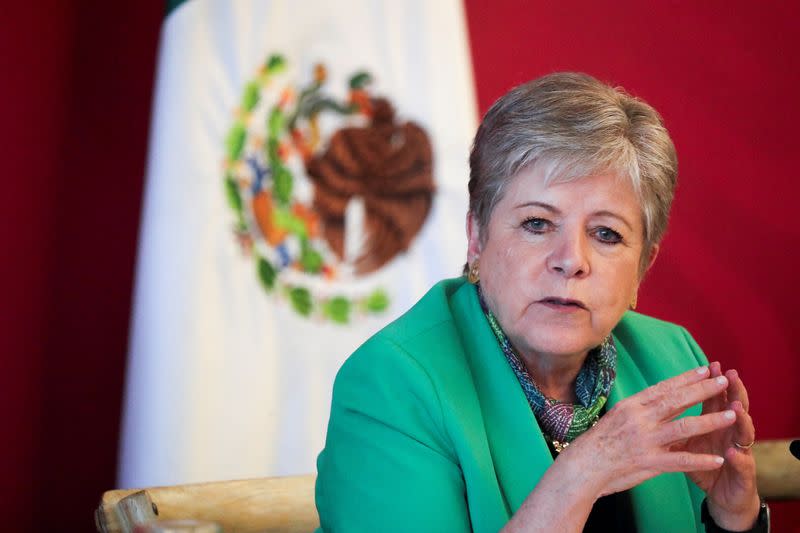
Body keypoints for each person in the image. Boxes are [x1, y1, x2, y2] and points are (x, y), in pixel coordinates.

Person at [314, 73, 768, 532]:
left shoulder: (672, 362)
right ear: (477, 237)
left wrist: (732, 519)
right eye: (537, 223)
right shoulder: (393, 385)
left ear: (642, 266)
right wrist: (583, 475)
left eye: (606, 233)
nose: (571, 260)